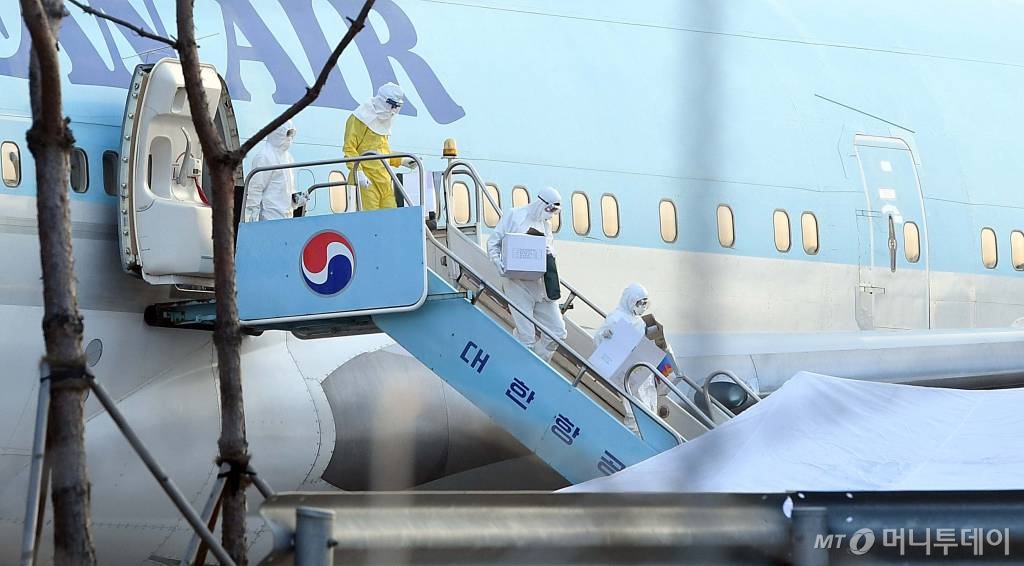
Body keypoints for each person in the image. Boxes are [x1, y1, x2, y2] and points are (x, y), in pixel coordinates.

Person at [487, 187, 567, 362]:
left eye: (555, 211)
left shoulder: (546, 225)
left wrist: (549, 251)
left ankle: (536, 364)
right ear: (541, 203)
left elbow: (551, 250)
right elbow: (493, 242)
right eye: (550, 209)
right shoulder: (515, 215)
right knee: (526, 337)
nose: (551, 214)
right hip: (517, 284)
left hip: (540, 286)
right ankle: (521, 366)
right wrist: (497, 261)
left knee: (558, 332)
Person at [344, 82, 417, 211]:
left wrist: (402, 160)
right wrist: (358, 173)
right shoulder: (360, 117)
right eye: (392, 105)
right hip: (367, 180)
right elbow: (349, 148)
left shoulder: (384, 122)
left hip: (384, 180)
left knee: (390, 218)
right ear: (383, 101)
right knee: (370, 220)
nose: (393, 110)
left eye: (397, 106)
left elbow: (382, 152)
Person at [594, 283, 656, 433]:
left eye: (645, 303)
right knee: (633, 409)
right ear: (630, 300)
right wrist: (605, 335)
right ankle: (635, 437)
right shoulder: (615, 317)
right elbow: (598, 339)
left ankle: (647, 435)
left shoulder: (640, 321)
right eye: (640, 303)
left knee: (649, 405)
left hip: (642, 369)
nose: (643, 306)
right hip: (625, 370)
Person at [243, 120, 304, 221]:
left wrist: (296, 199)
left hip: (287, 216)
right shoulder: (264, 157)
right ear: (278, 133)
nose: (289, 138)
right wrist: (251, 216)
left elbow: (287, 188)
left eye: (291, 134)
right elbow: (255, 188)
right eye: (287, 134)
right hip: (269, 216)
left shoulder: (288, 158)